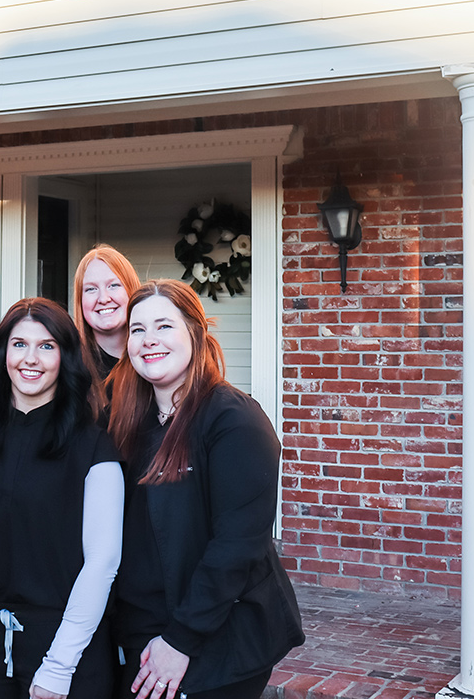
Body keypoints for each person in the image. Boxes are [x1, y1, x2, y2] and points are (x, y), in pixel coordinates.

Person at [108, 280, 303, 699]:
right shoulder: (128, 422)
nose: (148, 340)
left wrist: (180, 640)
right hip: (143, 631)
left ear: (195, 333)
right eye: (137, 329)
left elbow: (237, 547)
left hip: (216, 639)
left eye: (164, 326)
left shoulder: (234, 420)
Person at [0, 298, 123, 699]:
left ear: (65, 357)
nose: (31, 358)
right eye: (19, 344)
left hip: (70, 648)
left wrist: (59, 666)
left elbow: (102, 562)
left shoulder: (94, 446)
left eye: (46, 346)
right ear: (3, 352)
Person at [72, 246, 140, 381]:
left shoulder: (155, 357)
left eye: (113, 286)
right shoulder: (70, 368)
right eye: (91, 289)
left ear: (131, 290)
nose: (103, 298)